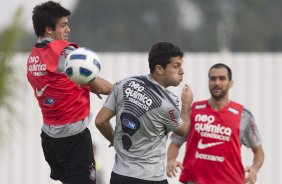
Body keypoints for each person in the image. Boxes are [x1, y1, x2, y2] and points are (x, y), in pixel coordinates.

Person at [26, 1, 113, 184]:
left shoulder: (34, 55)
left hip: (49, 138)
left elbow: (58, 82)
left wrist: (85, 84)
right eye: (63, 25)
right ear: (49, 29)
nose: (68, 30)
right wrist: (122, 89)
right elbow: (99, 86)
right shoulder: (65, 53)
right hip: (73, 138)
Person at [95, 42, 193, 184]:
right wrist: (186, 105)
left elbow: (100, 121)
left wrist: (113, 140)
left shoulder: (125, 83)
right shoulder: (168, 103)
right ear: (159, 69)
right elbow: (182, 130)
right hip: (151, 178)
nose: (182, 71)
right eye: (176, 66)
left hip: (120, 175)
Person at [166, 63, 264, 184]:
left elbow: (259, 152)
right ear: (208, 82)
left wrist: (254, 169)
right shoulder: (194, 111)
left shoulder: (243, 115)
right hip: (195, 180)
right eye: (213, 78)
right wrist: (171, 160)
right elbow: (175, 143)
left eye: (222, 78)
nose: (217, 82)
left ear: (231, 83)